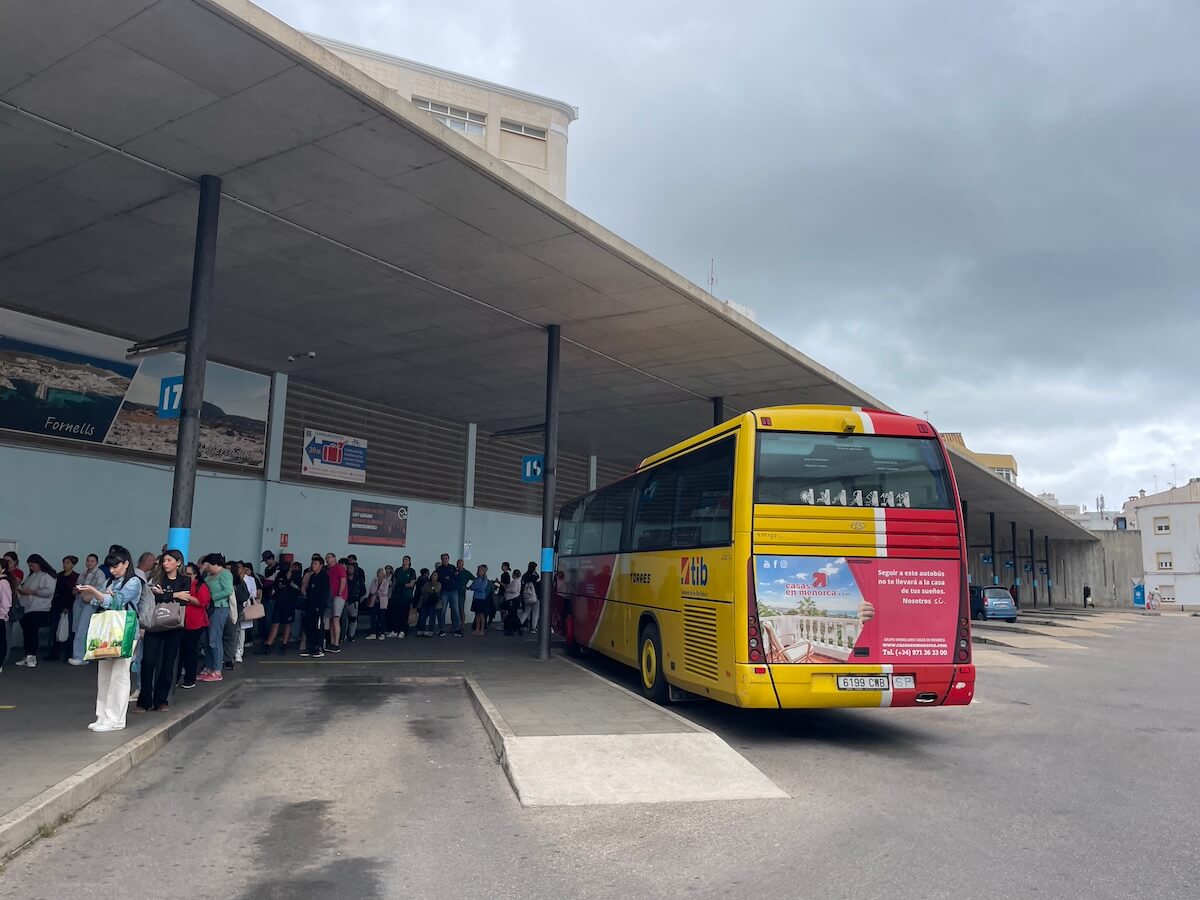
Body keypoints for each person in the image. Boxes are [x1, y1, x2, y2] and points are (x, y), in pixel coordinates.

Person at [75, 547, 142, 732]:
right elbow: (99, 601)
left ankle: (116, 719)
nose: (112, 570)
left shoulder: (134, 581)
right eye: (110, 567)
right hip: (109, 630)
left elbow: (116, 601)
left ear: (126, 563)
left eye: (116, 566)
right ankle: (102, 715)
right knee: (104, 675)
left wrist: (97, 593)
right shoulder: (111, 582)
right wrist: (102, 595)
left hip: (126, 630)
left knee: (119, 676)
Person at [136, 549, 190, 712]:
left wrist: (165, 594)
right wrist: (174, 594)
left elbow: (185, 600)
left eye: (169, 560)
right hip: (155, 623)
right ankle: (144, 701)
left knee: (168, 663)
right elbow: (153, 597)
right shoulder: (156, 577)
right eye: (164, 560)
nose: (165, 563)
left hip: (174, 625)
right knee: (148, 662)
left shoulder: (184, 580)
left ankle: (161, 700)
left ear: (178, 562)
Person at [14, 554, 56, 667]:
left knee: (32, 633)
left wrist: (31, 592)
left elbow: (48, 592)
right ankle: (28, 655)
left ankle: (32, 657)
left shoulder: (47, 576)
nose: (31, 568)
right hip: (27, 608)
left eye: (33, 565)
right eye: (29, 566)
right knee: (27, 633)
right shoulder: (31, 575)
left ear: (39, 564)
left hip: (40, 609)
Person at [199, 554, 233, 683]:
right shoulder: (208, 575)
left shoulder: (225, 574)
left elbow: (228, 590)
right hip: (208, 609)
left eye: (208, 565)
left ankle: (217, 669)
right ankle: (209, 667)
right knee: (206, 639)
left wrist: (211, 598)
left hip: (219, 608)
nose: (207, 568)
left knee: (214, 639)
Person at [69, 554, 105, 666]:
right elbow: (78, 585)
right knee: (76, 627)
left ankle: (80, 656)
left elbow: (100, 589)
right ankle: (80, 654)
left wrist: (87, 591)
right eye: (88, 561)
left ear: (96, 563)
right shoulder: (84, 573)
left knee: (83, 628)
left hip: (90, 602)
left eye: (92, 561)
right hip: (80, 600)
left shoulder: (100, 574)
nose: (89, 563)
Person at [178, 562, 210, 688]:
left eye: (189, 574)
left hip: (195, 623)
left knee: (190, 651)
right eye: (184, 573)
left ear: (195, 575)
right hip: (180, 622)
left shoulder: (200, 586)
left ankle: (190, 679)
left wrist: (187, 597)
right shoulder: (181, 584)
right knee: (179, 652)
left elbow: (202, 602)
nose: (186, 576)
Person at [259, 561, 301, 655]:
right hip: (279, 602)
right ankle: (268, 645)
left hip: (289, 603)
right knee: (275, 623)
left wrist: (288, 582)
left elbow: (298, 589)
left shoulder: (296, 576)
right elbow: (276, 586)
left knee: (287, 624)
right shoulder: (280, 574)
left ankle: (284, 645)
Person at [47, 555, 79, 661]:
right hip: (57, 604)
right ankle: (54, 653)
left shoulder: (75, 577)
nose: (65, 565)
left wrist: (68, 606)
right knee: (55, 628)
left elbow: (72, 593)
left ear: (73, 565)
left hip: (68, 605)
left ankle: (68, 653)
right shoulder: (59, 575)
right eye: (64, 563)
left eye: (68, 563)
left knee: (67, 630)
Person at [301, 555, 330, 658]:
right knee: (310, 627)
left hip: (319, 606)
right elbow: (309, 591)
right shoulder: (313, 576)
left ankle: (319, 648)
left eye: (315, 564)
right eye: (312, 563)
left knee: (318, 627)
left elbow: (324, 593)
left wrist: (320, 605)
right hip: (311, 606)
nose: (313, 565)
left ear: (321, 565)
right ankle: (311, 647)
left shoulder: (324, 577)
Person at [324, 553, 347, 653]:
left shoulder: (339, 567)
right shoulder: (329, 570)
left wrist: (339, 593)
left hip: (338, 596)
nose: (327, 559)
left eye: (329, 557)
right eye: (326, 558)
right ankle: (332, 642)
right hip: (330, 596)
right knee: (332, 621)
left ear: (334, 558)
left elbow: (343, 580)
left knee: (336, 619)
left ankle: (336, 643)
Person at [389, 557, 416, 638]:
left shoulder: (411, 571)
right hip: (397, 595)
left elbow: (411, 584)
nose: (404, 561)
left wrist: (403, 584)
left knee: (404, 614)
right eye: (404, 559)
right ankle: (394, 631)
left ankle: (402, 631)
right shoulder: (398, 570)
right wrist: (393, 592)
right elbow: (394, 582)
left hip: (406, 596)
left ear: (409, 561)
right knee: (395, 613)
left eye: (406, 559)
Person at [435, 554, 460, 636]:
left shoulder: (453, 567)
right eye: (443, 559)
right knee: (442, 610)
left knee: (455, 610)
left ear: (448, 559)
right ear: (441, 560)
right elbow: (440, 579)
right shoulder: (439, 569)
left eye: (446, 558)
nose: (444, 560)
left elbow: (457, 577)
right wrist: (450, 578)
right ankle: (442, 629)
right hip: (444, 592)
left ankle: (457, 629)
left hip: (454, 591)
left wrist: (448, 578)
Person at [345, 559, 366, 643]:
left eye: (351, 568)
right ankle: (343, 635)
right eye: (348, 568)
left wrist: (358, 598)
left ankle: (351, 635)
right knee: (344, 620)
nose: (349, 569)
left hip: (354, 603)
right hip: (344, 602)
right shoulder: (344, 578)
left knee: (353, 620)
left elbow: (363, 591)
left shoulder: (358, 579)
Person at [0, 556, 14, 673]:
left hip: (0, 616)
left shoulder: (3, 582)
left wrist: (3, 614)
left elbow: (6, 601)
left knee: (1, 641)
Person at [414, 568, 438, 637]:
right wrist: (430, 589)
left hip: (427, 600)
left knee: (424, 615)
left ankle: (421, 629)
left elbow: (434, 590)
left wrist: (429, 589)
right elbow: (423, 590)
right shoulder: (425, 581)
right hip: (425, 600)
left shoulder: (437, 583)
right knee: (424, 615)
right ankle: (424, 629)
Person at [366, 567, 389, 640]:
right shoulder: (374, 580)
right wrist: (377, 592)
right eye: (378, 572)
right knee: (373, 617)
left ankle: (382, 633)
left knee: (382, 618)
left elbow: (385, 592)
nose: (379, 574)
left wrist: (377, 592)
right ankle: (373, 633)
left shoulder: (386, 581)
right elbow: (371, 590)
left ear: (383, 574)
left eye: (380, 572)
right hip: (374, 602)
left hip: (382, 602)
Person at [521, 562, 541, 633]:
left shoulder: (525, 576)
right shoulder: (536, 576)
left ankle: (519, 625)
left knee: (526, 612)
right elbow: (539, 586)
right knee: (535, 613)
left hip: (527, 596)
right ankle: (533, 628)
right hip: (536, 597)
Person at [470, 564, 490, 635]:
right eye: (478, 570)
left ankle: (482, 630)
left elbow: (482, 589)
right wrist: (475, 587)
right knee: (477, 614)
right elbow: (471, 587)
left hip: (481, 599)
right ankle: (477, 629)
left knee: (481, 614)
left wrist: (475, 588)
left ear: (483, 572)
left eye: (480, 570)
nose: (478, 571)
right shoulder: (476, 579)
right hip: (476, 598)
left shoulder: (485, 580)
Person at [455, 559, 472, 631]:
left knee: (461, 609)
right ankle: (455, 625)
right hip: (454, 593)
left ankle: (462, 624)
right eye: (458, 563)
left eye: (460, 564)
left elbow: (475, 579)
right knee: (454, 609)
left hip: (461, 593)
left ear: (463, 564)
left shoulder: (466, 572)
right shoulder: (455, 572)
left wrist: (469, 587)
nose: (459, 565)